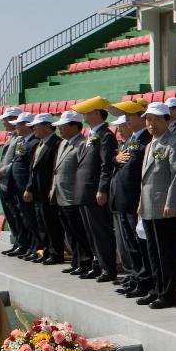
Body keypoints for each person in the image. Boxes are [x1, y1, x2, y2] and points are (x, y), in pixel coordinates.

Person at [137, 102, 176, 310]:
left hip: (166, 207)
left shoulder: (174, 144)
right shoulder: (150, 145)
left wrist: (171, 202)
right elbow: (144, 178)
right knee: (153, 252)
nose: (152, 123)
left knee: (167, 252)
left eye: (157, 119)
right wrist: (140, 202)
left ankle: (168, 294)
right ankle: (157, 290)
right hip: (149, 205)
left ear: (167, 120)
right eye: (149, 119)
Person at [108, 99, 153, 298]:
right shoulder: (132, 139)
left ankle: (143, 281)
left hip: (135, 199)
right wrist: (114, 159)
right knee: (130, 244)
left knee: (138, 244)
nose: (126, 120)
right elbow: (119, 160)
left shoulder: (145, 140)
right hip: (124, 199)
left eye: (130, 116)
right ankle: (136, 277)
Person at [72, 97, 119, 282]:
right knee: (90, 232)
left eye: (87, 112)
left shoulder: (106, 136)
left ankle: (108, 268)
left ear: (97, 113)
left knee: (101, 232)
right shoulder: (90, 136)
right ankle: (97, 264)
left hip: (94, 191)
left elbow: (106, 165)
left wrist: (102, 189)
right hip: (83, 191)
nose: (84, 115)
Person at [52, 111, 93, 275]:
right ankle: (76, 260)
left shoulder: (82, 144)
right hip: (61, 195)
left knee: (79, 232)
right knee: (70, 232)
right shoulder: (63, 143)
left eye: (63, 126)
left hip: (73, 196)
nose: (60, 129)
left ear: (74, 126)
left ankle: (85, 262)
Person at [23, 113, 62, 265]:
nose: (34, 129)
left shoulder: (56, 143)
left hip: (48, 191)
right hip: (38, 191)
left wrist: (53, 187)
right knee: (42, 223)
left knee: (52, 224)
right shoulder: (40, 143)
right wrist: (30, 187)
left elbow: (55, 169)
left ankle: (55, 253)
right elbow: (33, 169)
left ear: (47, 126)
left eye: (36, 126)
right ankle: (46, 251)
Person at [5, 113, 39, 259]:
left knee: (31, 220)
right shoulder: (22, 141)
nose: (15, 126)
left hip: (26, 187)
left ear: (27, 125)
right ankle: (25, 245)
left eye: (18, 124)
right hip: (17, 186)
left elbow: (32, 167)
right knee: (22, 219)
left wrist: (28, 187)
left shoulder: (35, 142)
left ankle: (35, 247)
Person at [0, 108, 24, 255]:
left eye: (6, 119)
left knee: (17, 216)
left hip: (12, 182)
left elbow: (17, 161)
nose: (4, 123)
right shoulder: (12, 137)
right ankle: (18, 243)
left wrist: (1, 171)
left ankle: (23, 244)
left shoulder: (21, 138)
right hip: (4, 182)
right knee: (11, 216)